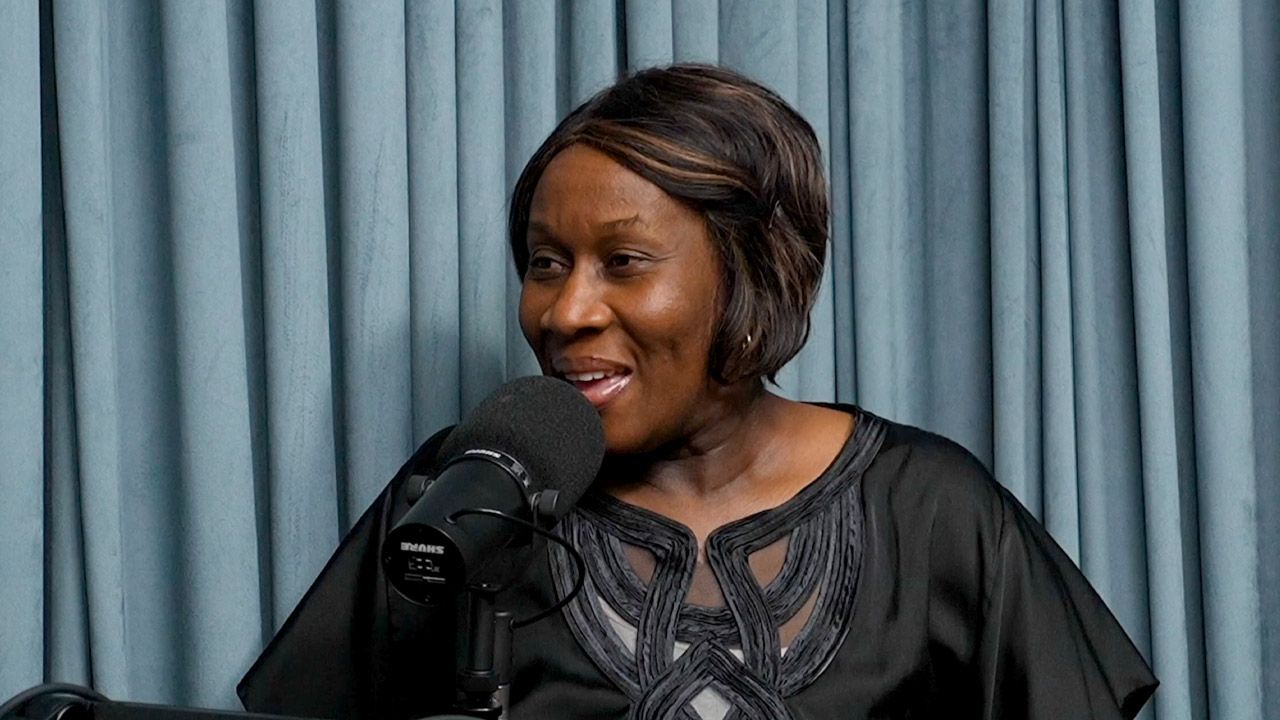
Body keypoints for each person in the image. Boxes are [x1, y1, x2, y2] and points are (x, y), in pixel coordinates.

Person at [239, 64, 1157, 719]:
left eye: (624, 262)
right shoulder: (466, 491)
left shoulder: (933, 512)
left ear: (755, 275)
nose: (565, 312)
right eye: (546, 263)